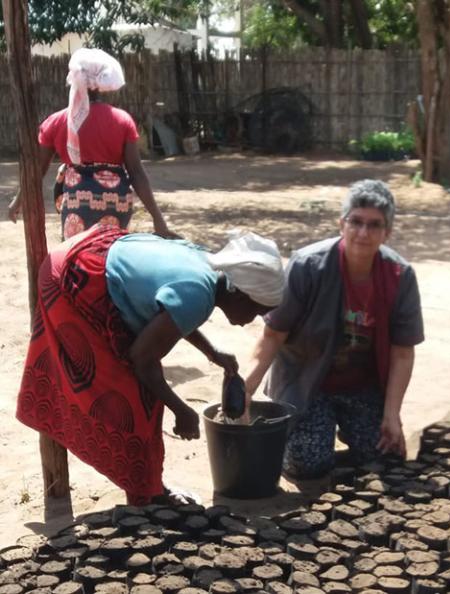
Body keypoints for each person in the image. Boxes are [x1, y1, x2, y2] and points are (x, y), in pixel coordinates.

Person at [15, 225, 284, 505]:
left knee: (146, 392)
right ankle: (146, 495)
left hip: (90, 250)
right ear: (240, 294)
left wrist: (212, 352)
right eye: (256, 310)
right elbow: (142, 360)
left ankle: (148, 488)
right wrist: (182, 411)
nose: (253, 318)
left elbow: (170, 310)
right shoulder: (198, 293)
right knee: (135, 401)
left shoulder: (208, 268)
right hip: (71, 275)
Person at [244, 179, 424, 480]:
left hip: (362, 386)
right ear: (341, 223)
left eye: (375, 225)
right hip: (306, 383)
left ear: (387, 233)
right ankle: (311, 433)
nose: (363, 233)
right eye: (356, 222)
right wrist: (245, 388)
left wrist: (392, 415)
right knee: (309, 464)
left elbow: (403, 352)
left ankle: (345, 427)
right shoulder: (307, 266)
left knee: (387, 455)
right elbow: (274, 334)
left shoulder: (399, 276)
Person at [9, 47, 171, 240]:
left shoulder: (56, 121)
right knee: (111, 257)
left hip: (77, 206)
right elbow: (136, 173)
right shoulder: (122, 120)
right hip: (117, 205)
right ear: (100, 84)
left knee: (76, 261)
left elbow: (36, 171)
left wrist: (19, 200)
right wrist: (157, 219)